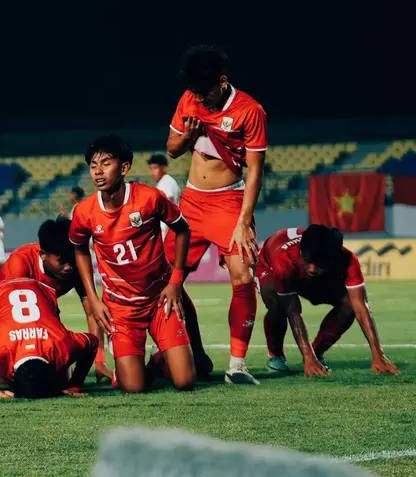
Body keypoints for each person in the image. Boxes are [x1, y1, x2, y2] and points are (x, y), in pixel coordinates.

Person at [166, 46, 266, 386]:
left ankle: (236, 365)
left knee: (242, 276)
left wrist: (243, 221)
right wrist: (190, 135)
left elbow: (255, 171)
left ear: (222, 83)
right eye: (195, 92)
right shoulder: (189, 99)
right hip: (192, 202)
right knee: (166, 279)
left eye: (205, 93)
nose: (200, 100)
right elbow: (172, 148)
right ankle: (195, 351)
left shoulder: (249, 111)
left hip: (229, 202)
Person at [70, 135, 195, 393]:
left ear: (124, 168)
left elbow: (182, 230)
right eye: (93, 165)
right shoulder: (84, 212)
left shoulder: (150, 198)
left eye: (106, 163)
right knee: (132, 387)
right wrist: (93, 299)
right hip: (122, 309)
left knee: (185, 381)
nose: (98, 171)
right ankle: (140, 368)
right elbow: (79, 248)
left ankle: (163, 361)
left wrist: (175, 283)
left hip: (159, 300)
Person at [256, 225, 399, 377]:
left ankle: (317, 352)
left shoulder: (348, 259)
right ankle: (276, 355)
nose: (312, 269)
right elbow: (293, 311)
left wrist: (378, 354)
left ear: (334, 257)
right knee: (277, 303)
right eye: (308, 261)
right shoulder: (284, 258)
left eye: (319, 264)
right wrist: (307, 357)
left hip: (312, 277)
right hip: (270, 268)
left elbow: (361, 308)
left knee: (350, 304)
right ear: (301, 252)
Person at [0, 218, 114, 383]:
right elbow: (14, 322)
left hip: (44, 311)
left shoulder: (76, 266)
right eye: (62, 261)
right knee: (4, 375)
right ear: (42, 255)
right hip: (4, 319)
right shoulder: (19, 265)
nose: (68, 267)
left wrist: (99, 361)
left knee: (56, 377)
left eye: (71, 260)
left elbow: (92, 313)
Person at [0, 277, 98, 399]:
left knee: (62, 382)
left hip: (41, 290)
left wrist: (74, 385)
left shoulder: (61, 344)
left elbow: (93, 342)